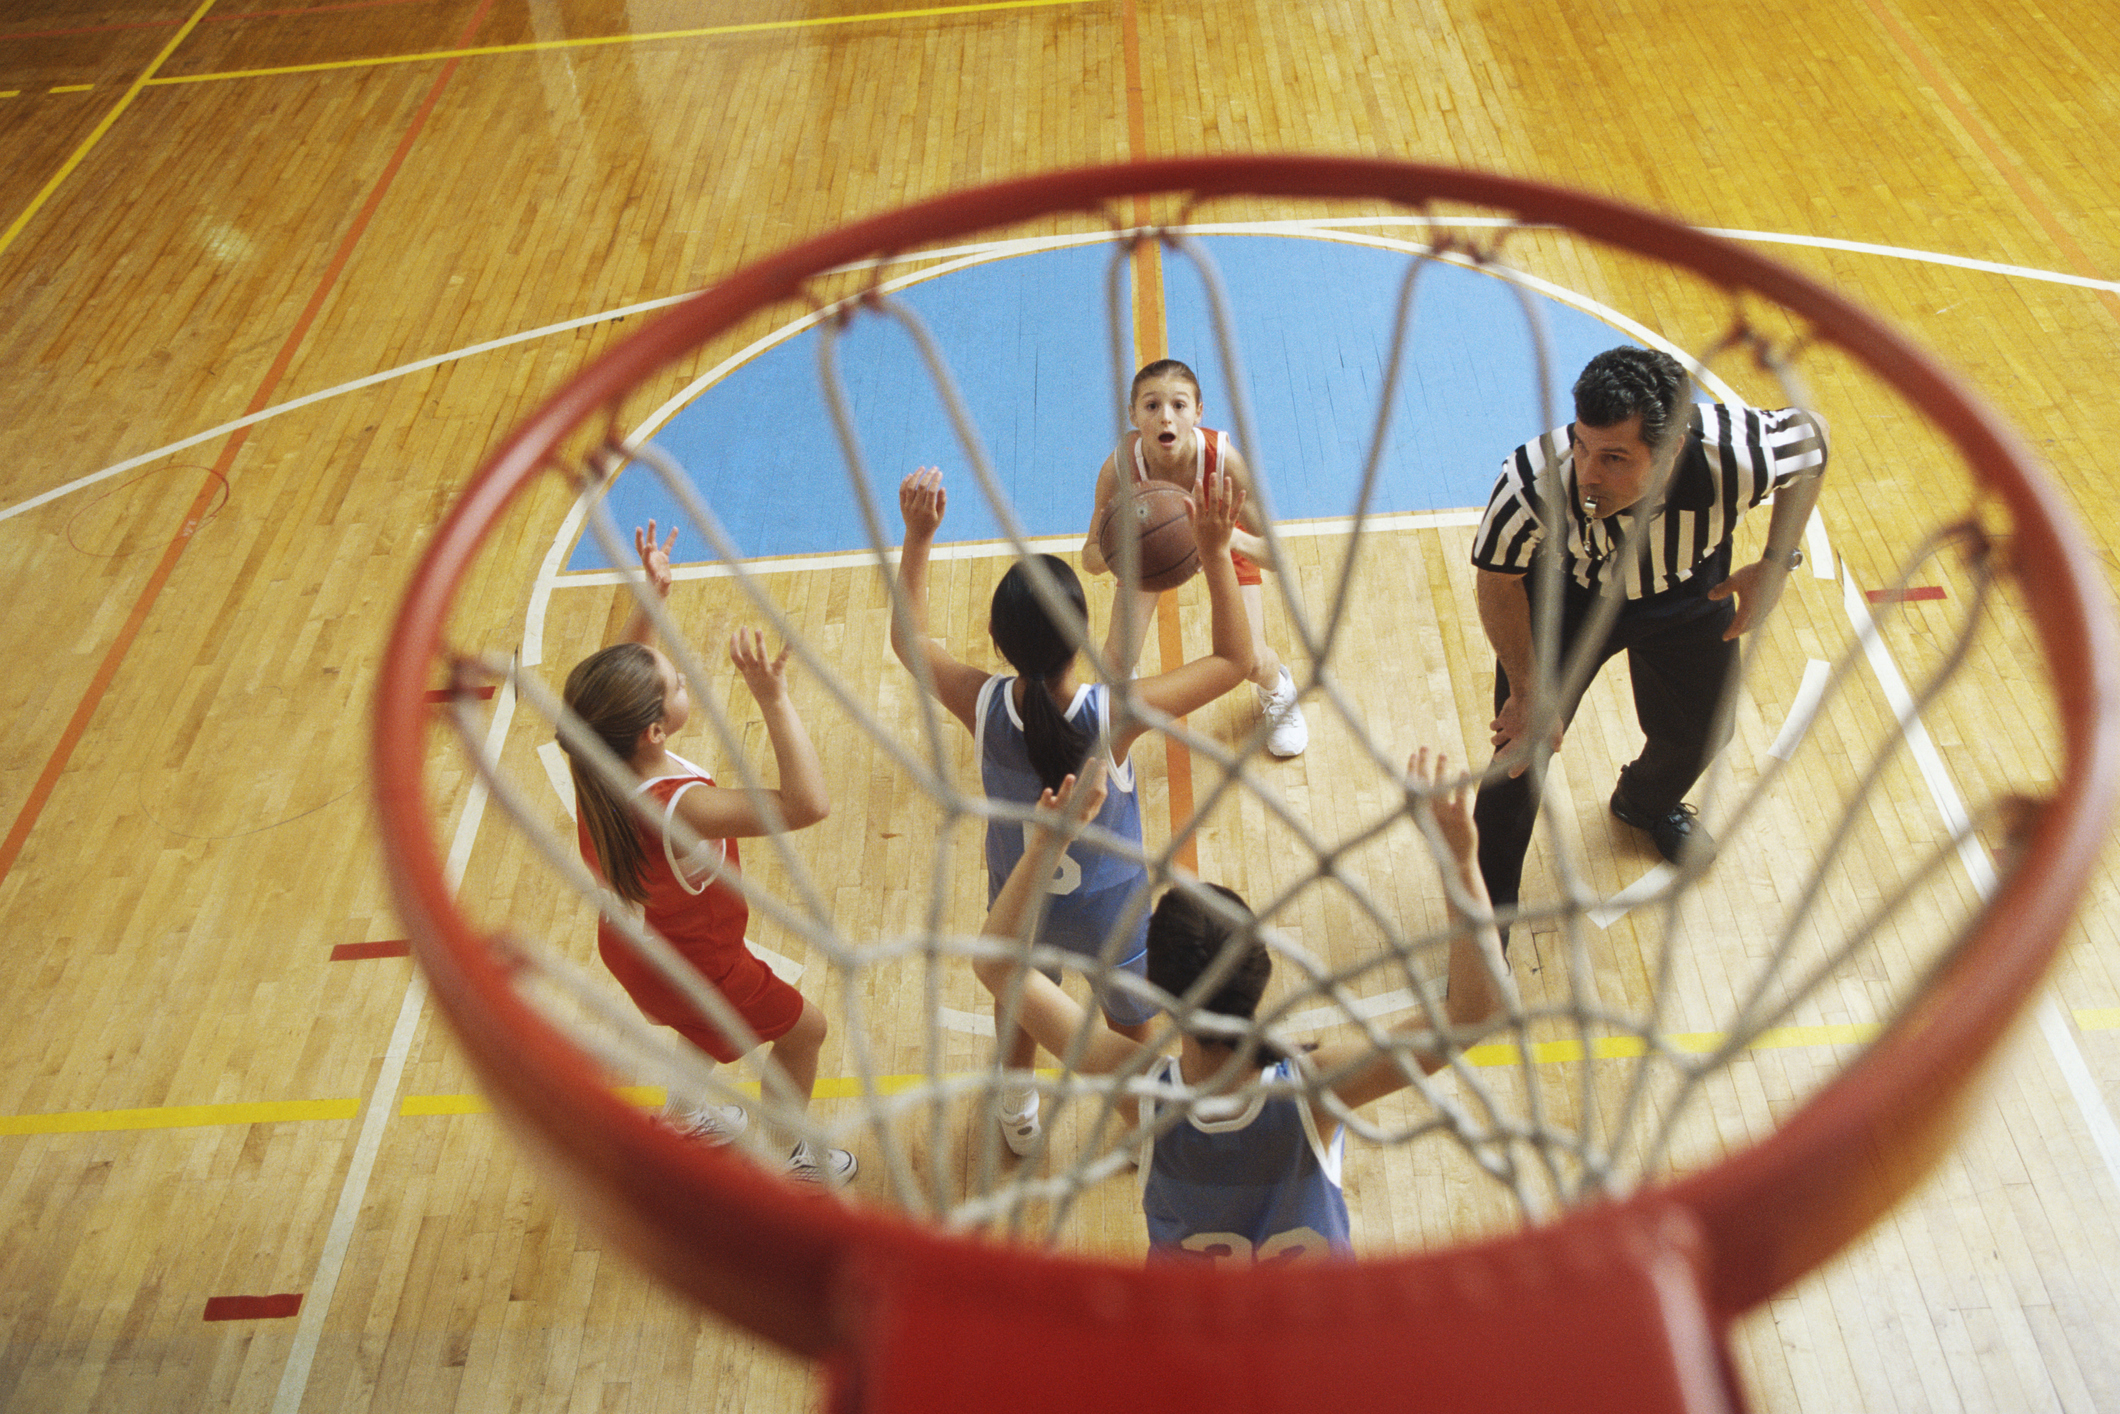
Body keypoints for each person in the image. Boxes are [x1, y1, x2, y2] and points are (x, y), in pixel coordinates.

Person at [972, 749, 1510, 1263]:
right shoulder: (1316, 1090)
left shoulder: (1138, 1092)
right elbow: (1471, 1013)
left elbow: (996, 965)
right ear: (1261, 972)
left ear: (1159, 991)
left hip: (1202, 1342)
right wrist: (1460, 862)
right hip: (1306, 1335)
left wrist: (1046, 845)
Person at [892, 463, 1254, 1155]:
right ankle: (1143, 1128)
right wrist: (1212, 554)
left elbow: (910, 642)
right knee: (1132, 1025)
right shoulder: (1114, 715)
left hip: (1022, 905)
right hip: (1113, 913)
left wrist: (917, 539)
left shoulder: (983, 705)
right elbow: (1236, 659)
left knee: (1020, 1010)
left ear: (1001, 646)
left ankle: (1018, 1113)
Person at [1469, 346, 1829, 940]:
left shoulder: (1739, 454)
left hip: (1687, 591)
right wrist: (1530, 688)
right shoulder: (1532, 481)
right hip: (1567, 600)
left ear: (1671, 453)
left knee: (1705, 728)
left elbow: (1815, 442)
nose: (1586, 471)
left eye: (1614, 457)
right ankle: (1484, 932)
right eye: (1582, 444)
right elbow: (1498, 577)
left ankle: (1644, 803)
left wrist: (1775, 561)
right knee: (1519, 757)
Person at [562, 522, 854, 1186]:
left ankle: (686, 1118)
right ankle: (789, 1158)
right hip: (702, 967)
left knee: (697, 1028)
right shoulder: (681, 810)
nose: (681, 677)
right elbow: (806, 805)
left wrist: (651, 598)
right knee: (806, 1033)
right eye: (676, 684)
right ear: (655, 729)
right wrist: (774, 701)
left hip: (638, 952)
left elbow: (615, 690)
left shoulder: (593, 756)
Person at [1081, 359, 1309, 757]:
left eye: (1179, 405)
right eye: (1151, 406)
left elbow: (1277, 557)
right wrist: (1122, 551)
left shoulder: (1224, 461)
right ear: (1133, 415)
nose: (1165, 416)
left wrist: (1222, 537)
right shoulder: (1120, 466)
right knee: (1113, 667)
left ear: (1198, 412)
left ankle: (1279, 689)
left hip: (1221, 542)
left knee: (1251, 660)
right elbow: (1090, 556)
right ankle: (1120, 716)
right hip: (1152, 553)